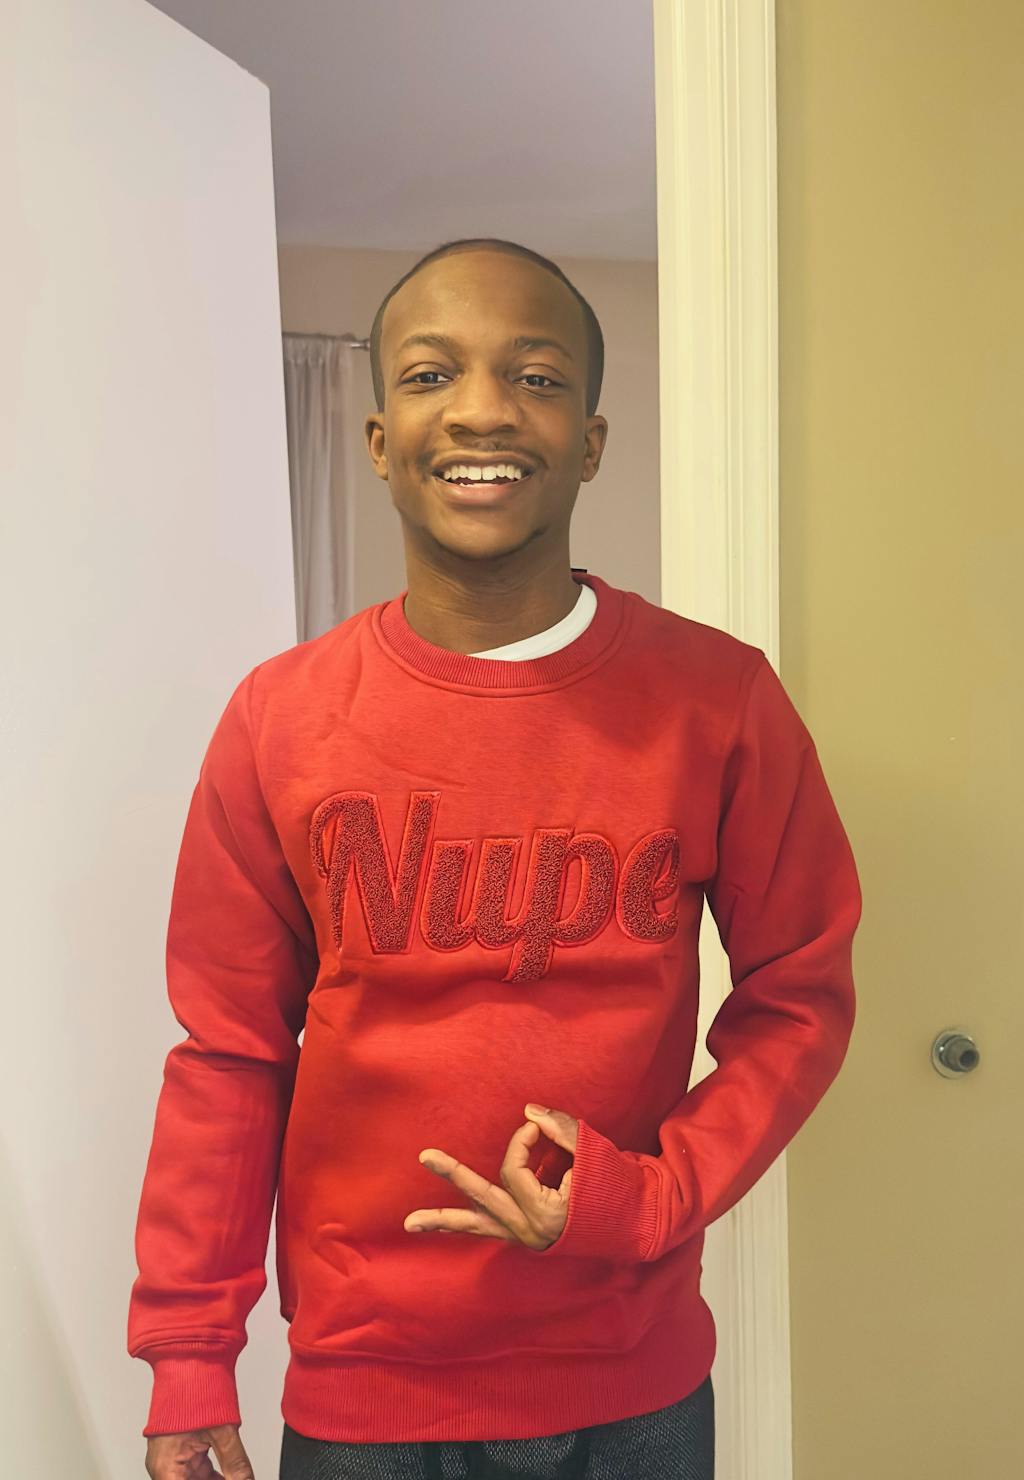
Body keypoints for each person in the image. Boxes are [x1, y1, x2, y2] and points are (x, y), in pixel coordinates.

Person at [127, 237, 862, 1480]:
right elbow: (230, 1052)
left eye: (535, 376)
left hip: (630, 1386)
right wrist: (189, 1352)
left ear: (589, 440)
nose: (481, 410)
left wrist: (658, 1191)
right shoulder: (280, 718)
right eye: (430, 374)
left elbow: (800, 994)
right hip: (365, 1395)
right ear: (377, 439)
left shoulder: (717, 701)